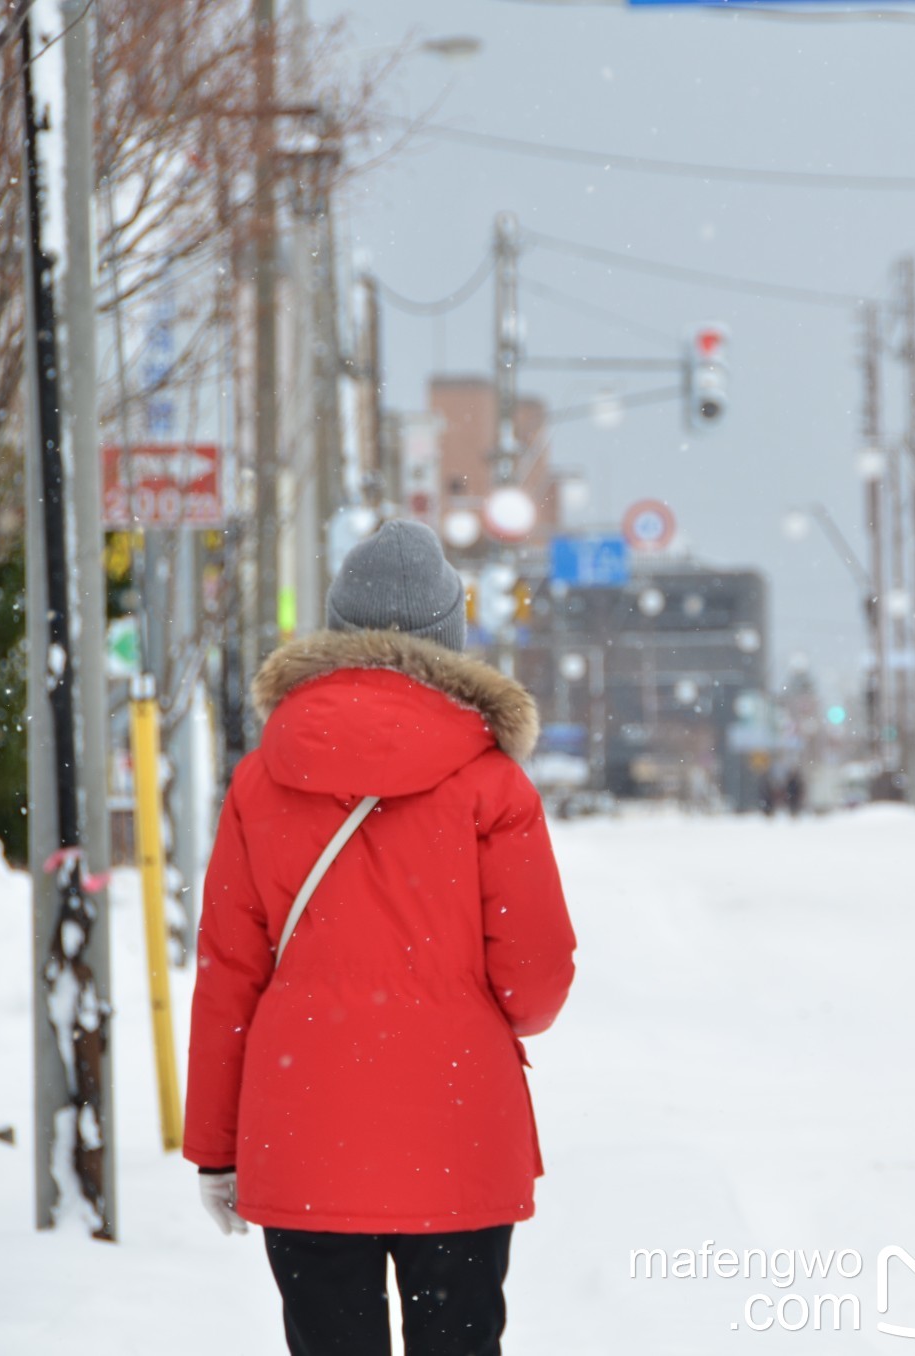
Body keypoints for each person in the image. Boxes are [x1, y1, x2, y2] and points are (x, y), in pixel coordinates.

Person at [184, 521, 577, 1356]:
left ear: (335, 633)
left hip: (304, 1131)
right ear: (449, 638)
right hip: (458, 1128)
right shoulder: (490, 783)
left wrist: (216, 1148)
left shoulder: (262, 777)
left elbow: (228, 975)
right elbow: (536, 978)